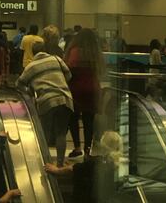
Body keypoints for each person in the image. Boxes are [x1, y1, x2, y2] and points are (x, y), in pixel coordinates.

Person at [16, 41, 74, 167]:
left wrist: (30, 91)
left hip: (46, 101)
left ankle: (45, 163)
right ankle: (59, 164)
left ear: (33, 52)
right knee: (61, 133)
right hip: (65, 98)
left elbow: (19, 84)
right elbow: (69, 75)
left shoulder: (31, 67)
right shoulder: (56, 59)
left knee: (44, 135)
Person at [45, 130, 122, 203]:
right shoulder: (118, 165)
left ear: (103, 146)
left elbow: (73, 169)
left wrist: (56, 170)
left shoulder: (96, 163)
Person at [66, 28, 105, 158]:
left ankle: (77, 147)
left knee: (73, 118)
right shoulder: (95, 53)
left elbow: (69, 68)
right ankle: (87, 149)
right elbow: (101, 70)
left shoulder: (75, 51)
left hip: (76, 88)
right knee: (89, 121)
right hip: (93, 88)